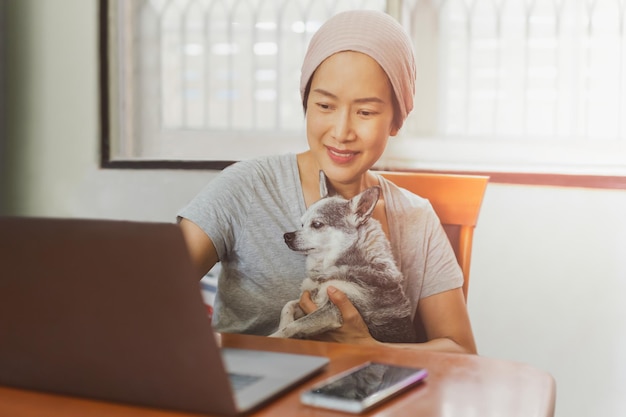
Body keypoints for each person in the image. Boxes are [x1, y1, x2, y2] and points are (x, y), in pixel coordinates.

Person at [178, 10, 477, 354]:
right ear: (306, 103)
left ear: (397, 119)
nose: (341, 132)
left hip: (362, 398)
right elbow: (152, 294)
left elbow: (460, 350)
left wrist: (369, 347)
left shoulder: (416, 217)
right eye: (324, 105)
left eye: (365, 112)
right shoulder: (246, 187)